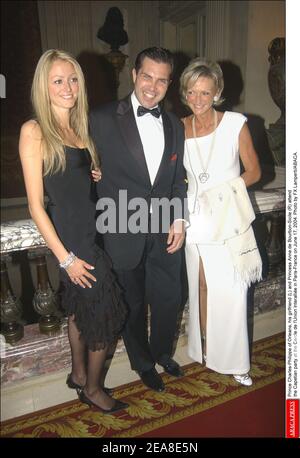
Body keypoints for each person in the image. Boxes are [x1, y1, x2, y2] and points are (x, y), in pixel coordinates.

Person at [19, 49, 128, 413]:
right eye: (58, 80)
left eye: (73, 79)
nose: (68, 87)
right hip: (75, 245)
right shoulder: (34, 131)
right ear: (43, 87)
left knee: (80, 312)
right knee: (107, 315)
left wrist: (92, 175)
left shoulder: (79, 129)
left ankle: (79, 374)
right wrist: (66, 259)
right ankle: (94, 389)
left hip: (94, 232)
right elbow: (37, 206)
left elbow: (76, 184)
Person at [90, 47, 187, 392]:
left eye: (161, 80)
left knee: (168, 296)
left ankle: (162, 352)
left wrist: (178, 218)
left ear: (169, 84)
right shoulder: (101, 118)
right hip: (120, 226)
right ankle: (143, 362)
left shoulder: (175, 125)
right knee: (131, 302)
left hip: (164, 225)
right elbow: (79, 166)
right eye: (147, 76)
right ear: (134, 75)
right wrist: (92, 172)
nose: (152, 85)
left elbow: (177, 179)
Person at [180, 58, 262, 386]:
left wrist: (222, 193)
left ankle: (236, 360)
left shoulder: (235, 123)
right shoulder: (178, 127)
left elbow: (254, 170)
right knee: (200, 286)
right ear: (184, 92)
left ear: (217, 92)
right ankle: (206, 349)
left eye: (205, 92)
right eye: (191, 92)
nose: (198, 99)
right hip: (194, 220)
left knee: (232, 289)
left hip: (227, 218)